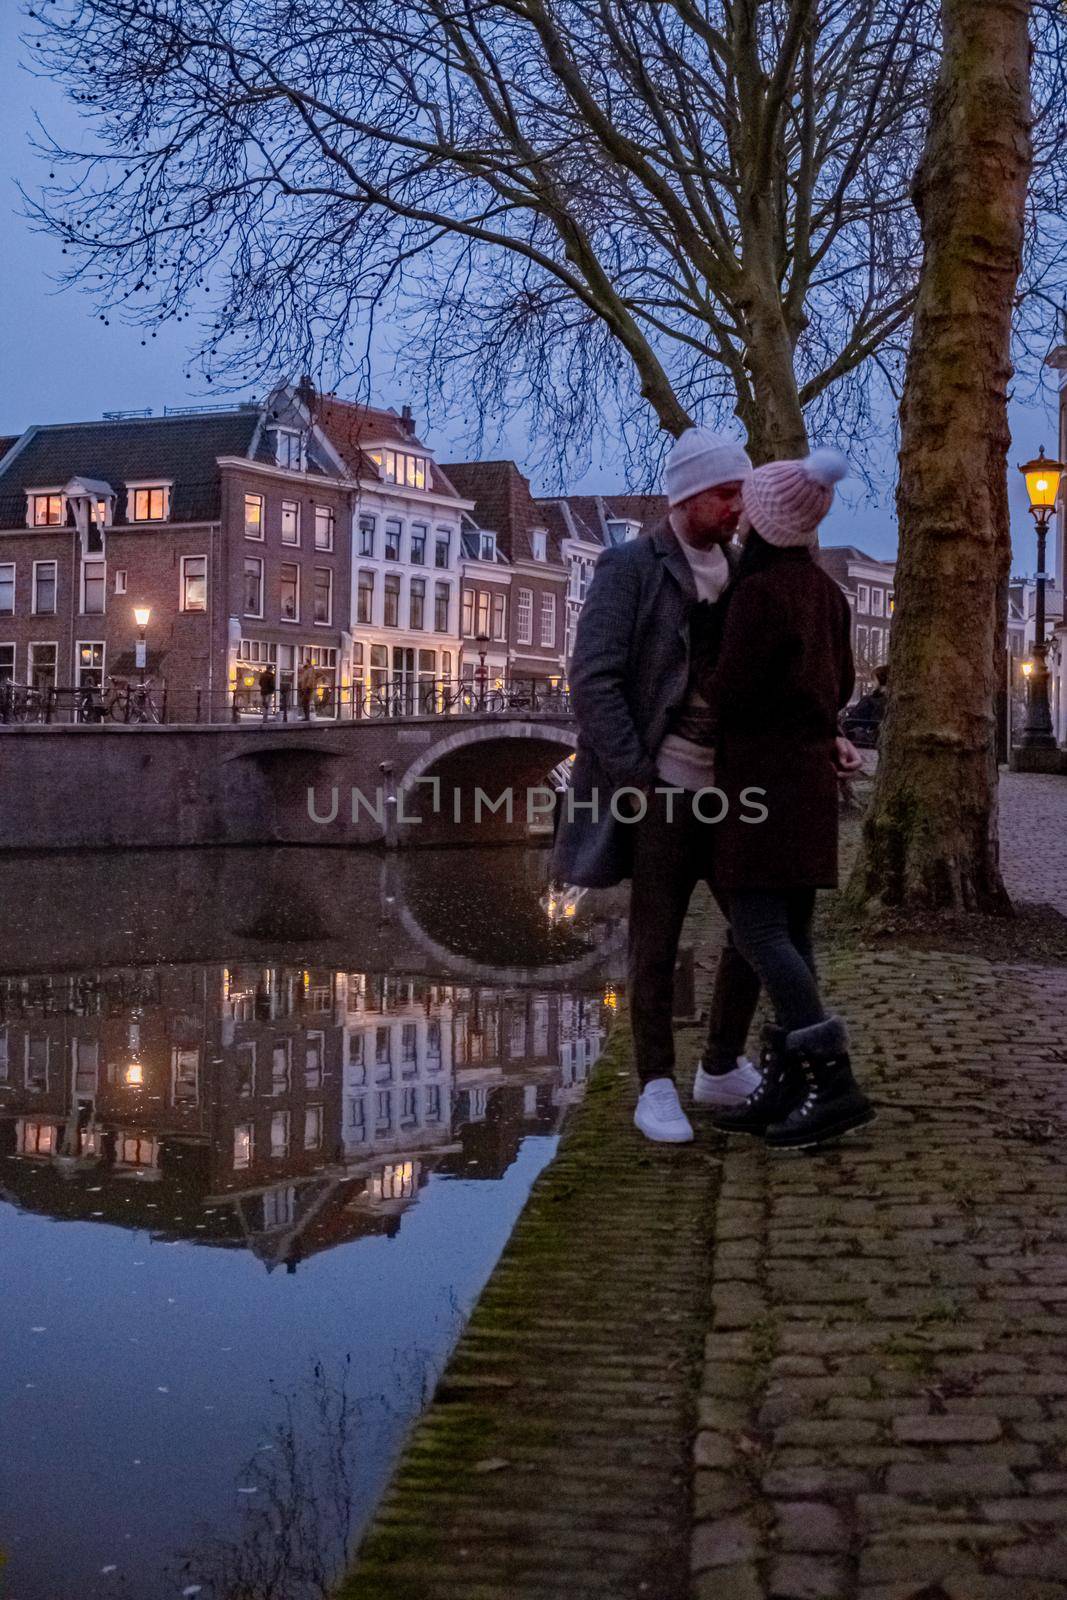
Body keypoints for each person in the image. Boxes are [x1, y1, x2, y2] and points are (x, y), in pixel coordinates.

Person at [553, 427, 763, 1145]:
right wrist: (635, 779)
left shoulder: (739, 570)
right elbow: (594, 679)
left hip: (729, 790)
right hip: (662, 788)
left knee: (758, 928)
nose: (740, 505)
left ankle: (721, 1064)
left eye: (741, 491)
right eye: (726, 493)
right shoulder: (628, 568)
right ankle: (654, 1085)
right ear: (687, 497)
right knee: (655, 941)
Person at [697, 449, 874, 1150]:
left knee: (755, 930)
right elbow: (839, 690)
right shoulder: (829, 595)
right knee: (790, 928)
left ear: (763, 523)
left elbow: (728, 690)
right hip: (806, 782)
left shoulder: (757, 595)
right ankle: (785, 1081)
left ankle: (830, 1080)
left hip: (758, 781)